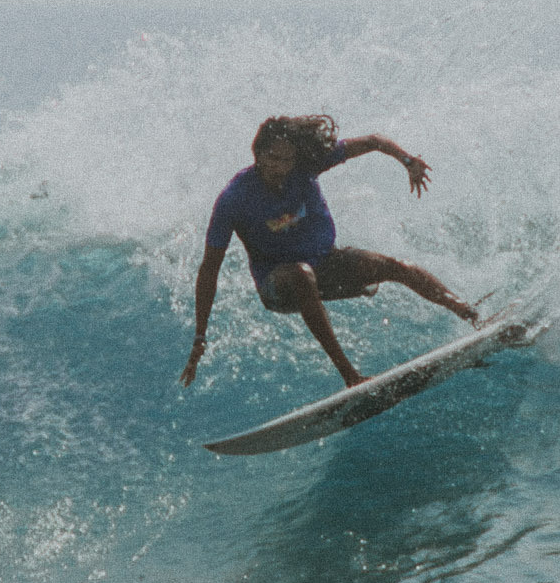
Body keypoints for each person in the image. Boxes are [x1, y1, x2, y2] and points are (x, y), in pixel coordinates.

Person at [179, 114, 477, 390]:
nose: (278, 167)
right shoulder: (234, 200)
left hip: (327, 265)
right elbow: (209, 269)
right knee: (301, 274)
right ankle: (351, 377)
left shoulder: (308, 166)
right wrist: (200, 337)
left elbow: (374, 142)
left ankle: (470, 314)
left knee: (396, 266)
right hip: (279, 285)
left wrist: (407, 160)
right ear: (257, 153)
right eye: (271, 158)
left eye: (286, 160)